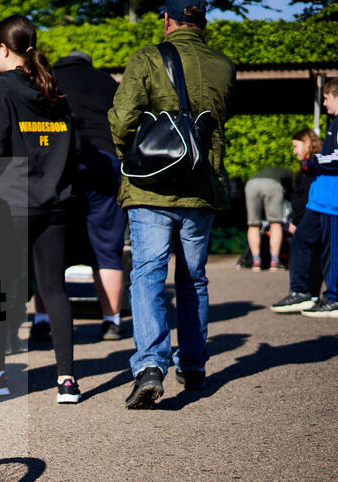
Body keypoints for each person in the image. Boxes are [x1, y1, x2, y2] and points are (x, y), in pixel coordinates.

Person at [108, 0, 235, 408]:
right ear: (203, 21)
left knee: (147, 276)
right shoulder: (223, 65)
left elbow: (123, 118)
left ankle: (149, 367)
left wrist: (134, 157)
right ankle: (194, 366)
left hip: (151, 190)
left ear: (167, 19)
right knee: (193, 279)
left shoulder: (146, 58)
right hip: (200, 186)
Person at [0, 14, 80, 403]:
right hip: (57, 203)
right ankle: (66, 381)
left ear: (4, 49)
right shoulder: (53, 87)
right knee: (54, 290)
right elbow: (71, 148)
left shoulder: (2, 92)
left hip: (12, 206)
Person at [52, 50, 128, 340]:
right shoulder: (107, 81)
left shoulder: (49, 80)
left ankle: (44, 320)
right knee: (108, 247)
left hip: (61, 164)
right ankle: (112, 320)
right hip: (106, 164)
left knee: (52, 247)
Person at [271, 128, 323, 312]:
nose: (294, 151)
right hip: (310, 213)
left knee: (304, 246)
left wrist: (296, 221)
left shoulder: (311, 167)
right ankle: (312, 293)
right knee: (317, 253)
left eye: (296, 146)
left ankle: (300, 292)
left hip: (309, 214)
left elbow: (305, 197)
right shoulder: (309, 167)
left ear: (307, 143)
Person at [298, 78, 338, 318]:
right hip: (328, 201)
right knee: (325, 250)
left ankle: (333, 297)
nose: (323, 103)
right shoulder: (334, 123)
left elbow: (336, 158)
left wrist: (312, 161)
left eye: (326, 98)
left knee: (333, 251)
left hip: (334, 203)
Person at [244, 166, 293, 270]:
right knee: (275, 223)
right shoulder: (291, 173)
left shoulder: (260, 171)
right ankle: (275, 261)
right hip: (272, 185)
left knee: (253, 224)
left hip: (251, 184)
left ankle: (256, 261)